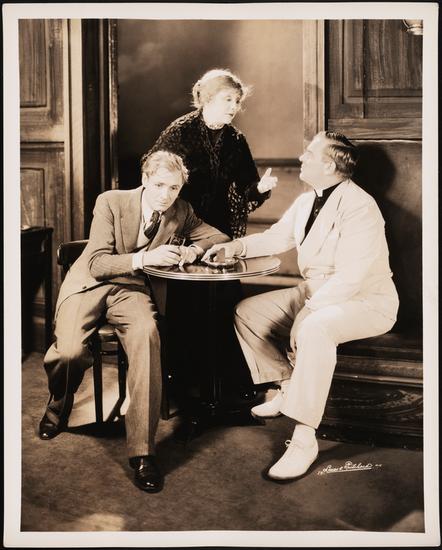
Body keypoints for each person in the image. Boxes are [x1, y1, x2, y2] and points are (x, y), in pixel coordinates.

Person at [203, 131, 399, 481]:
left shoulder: (361, 207)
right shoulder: (308, 200)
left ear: (330, 165)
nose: (301, 158)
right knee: (247, 313)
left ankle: (304, 439)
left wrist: (309, 310)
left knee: (315, 328)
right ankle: (286, 384)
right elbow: (276, 238)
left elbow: (352, 276)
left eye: (309, 153)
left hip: (366, 301)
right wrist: (234, 248)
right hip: (316, 292)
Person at [38, 151, 230, 493]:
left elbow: (218, 236)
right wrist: (146, 258)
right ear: (145, 180)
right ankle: (59, 402)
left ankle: (143, 452)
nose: (165, 195)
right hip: (90, 283)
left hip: (131, 290)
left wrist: (193, 250)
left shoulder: (181, 210)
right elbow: (97, 263)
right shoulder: (111, 202)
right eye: (159, 185)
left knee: (147, 336)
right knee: (68, 353)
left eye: (173, 188)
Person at [145, 68, 278, 405]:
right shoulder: (180, 131)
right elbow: (154, 170)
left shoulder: (236, 140)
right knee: (186, 304)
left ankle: (224, 385)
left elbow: (247, 187)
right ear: (205, 99)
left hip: (220, 231)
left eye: (237, 101)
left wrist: (260, 188)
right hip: (184, 227)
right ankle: (184, 387)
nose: (234, 107)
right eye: (227, 99)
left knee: (224, 301)